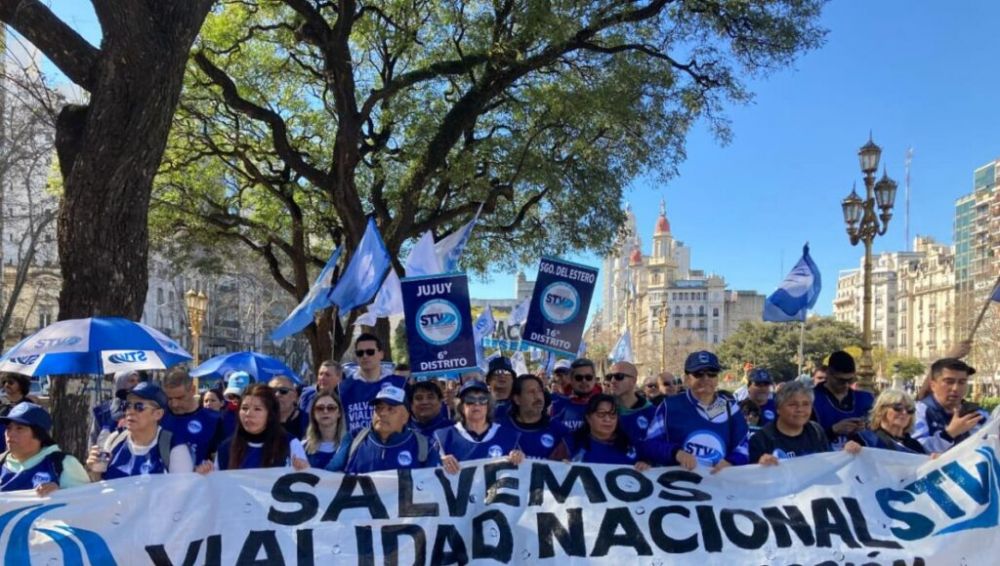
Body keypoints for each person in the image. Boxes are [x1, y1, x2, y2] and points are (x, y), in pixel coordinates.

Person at [642, 351, 749, 473]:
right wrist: (676, 453)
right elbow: (649, 444)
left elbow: (743, 447)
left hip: (718, 485)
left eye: (712, 373)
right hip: (677, 484)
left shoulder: (731, 408)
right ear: (687, 378)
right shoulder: (669, 406)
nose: (706, 379)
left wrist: (731, 461)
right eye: (699, 374)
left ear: (717, 378)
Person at [85, 382, 195, 480]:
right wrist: (94, 471)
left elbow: (182, 496)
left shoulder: (174, 448)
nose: (130, 412)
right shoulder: (114, 440)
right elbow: (100, 487)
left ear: (158, 414)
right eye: (127, 405)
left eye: (139, 406)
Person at [750, 381, 860, 465]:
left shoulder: (816, 431)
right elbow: (751, 479)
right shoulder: (761, 439)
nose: (800, 409)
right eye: (793, 404)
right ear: (778, 408)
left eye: (806, 404)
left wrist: (845, 452)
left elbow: (828, 464)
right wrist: (760, 465)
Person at [344, 385, 441, 473]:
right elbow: (330, 474)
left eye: (391, 409)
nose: (382, 413)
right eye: (378, 408)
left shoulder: (424, 446)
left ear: (405, 417)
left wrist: (446, 466)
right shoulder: (354, 439)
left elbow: (434, 485)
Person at [212, 384, 309, 471]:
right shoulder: (225, 448)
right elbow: (216, 486)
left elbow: (305, 484)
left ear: (270, 414)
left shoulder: (290, 444)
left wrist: (304, 471)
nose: (249, 414)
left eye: (257, 409)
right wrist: (206, 475)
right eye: (244, 408)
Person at [436, 381, 523, 474]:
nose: (477, 404)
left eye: (482, 399)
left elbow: (523, 473)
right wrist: (439, 461)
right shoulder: (443, 437)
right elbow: (427, 474)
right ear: (461, 406)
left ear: (488, 405)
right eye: (470, 399)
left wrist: (519, 457)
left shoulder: (509, 436)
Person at [1, 403, 89, 494]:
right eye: (8, 428)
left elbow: (85, 501)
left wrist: (60, 493)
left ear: (39, 434)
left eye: (19, 428)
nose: (10, 434)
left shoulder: (63, 463)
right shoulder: (2, 462)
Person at [553, 394, 650, 470]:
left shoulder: (630, 443)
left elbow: (650, 465)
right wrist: (560, 467)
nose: (607, 419)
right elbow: (551, 469)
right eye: (601, 414)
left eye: (612, 415)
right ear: (588, 418)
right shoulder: (572, 442)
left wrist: (645, 464)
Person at [913, 358, 987, 453]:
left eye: (962, 382)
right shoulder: (918, 411)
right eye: (949, 382)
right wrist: (950, 433)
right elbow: (916, 451)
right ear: (933, 385)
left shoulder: (977, 413)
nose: (955, 388)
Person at [339, 333, 405, 436]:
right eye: (360, 353)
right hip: (357, 448)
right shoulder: (343, 388)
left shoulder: (400, 384)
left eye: (370, 352)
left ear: (381, 354)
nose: (365, 356)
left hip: (391, 446)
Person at [810, 351, 874, 450]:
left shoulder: (866, 399)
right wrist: (833, 430)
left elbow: (878, 435)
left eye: (850, 380)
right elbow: (802, 440)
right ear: (828, 373)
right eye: (841, 381)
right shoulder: (809, 400)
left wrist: (865, 428)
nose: (846, 385)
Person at [161, 369, 223, 466]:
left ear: (192, 390)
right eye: (169, 398)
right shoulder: (158, 418)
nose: (174, 404)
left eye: (180, 398)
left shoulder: (214, 420)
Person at [499, 374, 567, 459]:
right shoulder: (501, 429)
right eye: (531, 392)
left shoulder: (559, 430)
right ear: (517, 399)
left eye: (540, 391)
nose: (537, 396)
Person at [852, 389, 928, 454]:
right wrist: (849, 449)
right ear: (881, 410)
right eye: (898, 408)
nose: (904, 412)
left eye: (909, 409)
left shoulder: (916, 447)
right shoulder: (863, 440)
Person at [605, 361, 656, 443]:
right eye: (610, 376)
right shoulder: (602, 409)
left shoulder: (651, 412)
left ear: (633, 381)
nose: (612, 381)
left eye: (619, 376)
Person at [89, 370, 139, 446]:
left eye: (137, 381)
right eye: (131, 381)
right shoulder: (102, 412)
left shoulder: (142, 408)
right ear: (120, 382)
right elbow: (93, 441)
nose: (136, 384)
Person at [302, 391, 350, 470]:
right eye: (320, 408)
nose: (325, 411)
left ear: (339, 413)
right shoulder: (303, 448)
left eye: (331, 408)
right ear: (313, 414)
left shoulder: (352, 446)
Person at [551, 358, 600, 432]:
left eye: (588, 377)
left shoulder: (605, 404)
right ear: (571, 380)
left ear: (594, 379)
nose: (584, 381)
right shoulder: (558, 405)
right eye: (578, 378)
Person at [1, 373, 33, 453]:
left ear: (21, 385)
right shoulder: (2, 405)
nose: (7, 385)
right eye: (5, 382)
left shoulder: (29, 406)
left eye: (10, 382)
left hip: (20, 451)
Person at [220, 371, 252, 440]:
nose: (234, 399)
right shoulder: (224, 415)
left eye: (239, 395)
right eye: (231, 396)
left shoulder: (261, 416)